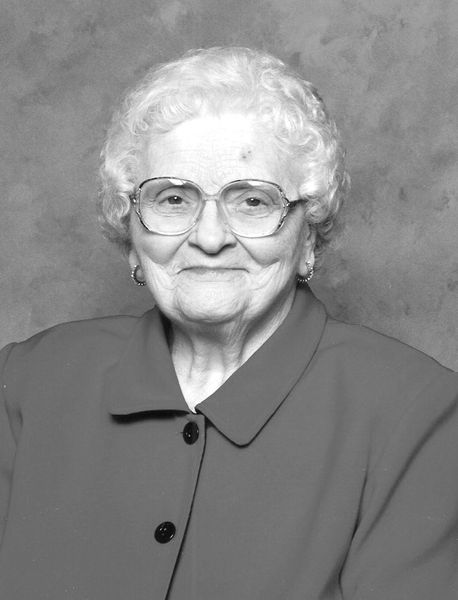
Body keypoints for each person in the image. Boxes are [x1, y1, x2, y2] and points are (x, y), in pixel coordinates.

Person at [0, 47, 457, 600]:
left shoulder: (420, 411)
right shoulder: (26, 380)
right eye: (173, 198)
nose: (210, 237)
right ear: (132, 234)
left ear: (308, 237)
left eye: (253, 202)